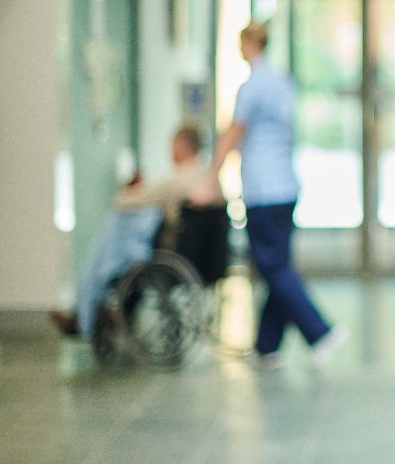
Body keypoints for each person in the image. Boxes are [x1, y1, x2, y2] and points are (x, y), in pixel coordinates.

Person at [211, 23, 347, 368]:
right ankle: (266, 347)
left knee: (273, 266)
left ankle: (320, 331)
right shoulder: (282, 83)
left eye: (240, 43)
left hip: (263, 191)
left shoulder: (252, 86)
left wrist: (210, 176)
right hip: (285, 188)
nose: (239, 50)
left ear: (251, 43)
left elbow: (233, 134)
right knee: (276, 266)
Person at [52, 126, 223, 339]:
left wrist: (128, 190)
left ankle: (85, 312)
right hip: (200, 258)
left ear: (181, 147)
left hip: (173, 251)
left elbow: (126, 200)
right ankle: (92, 309)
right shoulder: (207, 176)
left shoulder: (179, 178)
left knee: (114, 229)